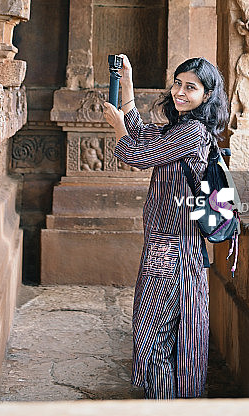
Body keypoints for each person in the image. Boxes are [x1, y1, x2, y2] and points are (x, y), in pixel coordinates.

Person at [103, 54, 229, 399]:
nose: (180, 92)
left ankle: (167, 403)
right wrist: (127, 82)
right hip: (166, 243)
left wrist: (116, 128)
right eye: (177, 83)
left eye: (191, 87)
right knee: (169, 330)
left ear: (207, 95)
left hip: (173, 247)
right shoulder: (179, 127)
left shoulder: (192, 131)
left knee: (153, 333)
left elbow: (137, 155)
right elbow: (142, 134)